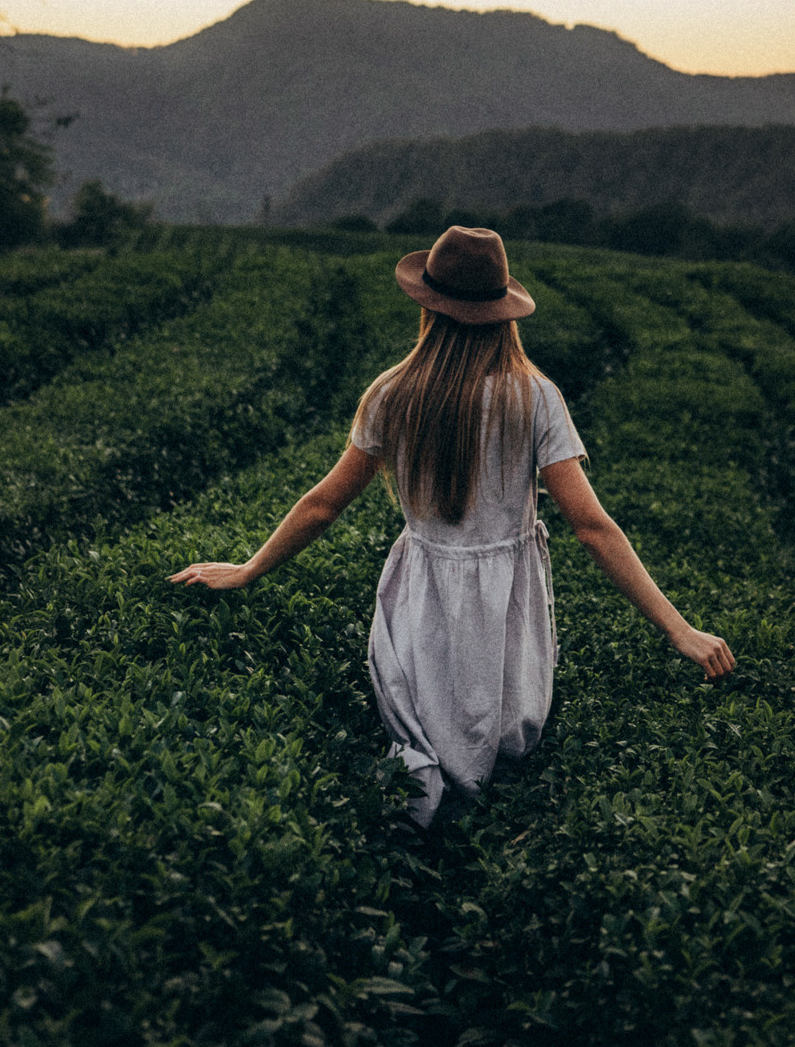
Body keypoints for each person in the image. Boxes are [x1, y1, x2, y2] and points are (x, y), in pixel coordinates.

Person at [172, 226, 735, 826]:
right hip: (504, 611)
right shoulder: (536, 397)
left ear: (428, 308)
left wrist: (250, 568)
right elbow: (593, 528)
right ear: (503, 314)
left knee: (421, 736)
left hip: (419, 605)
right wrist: (679, 629)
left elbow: (323, 505)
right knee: (501, 756)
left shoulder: (391, 394)